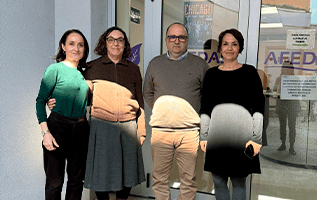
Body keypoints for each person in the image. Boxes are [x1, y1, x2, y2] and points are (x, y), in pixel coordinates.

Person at [48, 26, 146, 200]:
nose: (116, 43)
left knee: (127, 171)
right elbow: (75, 91)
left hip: (129, 126)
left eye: (120, 40)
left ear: (125, 44)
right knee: (101, 172)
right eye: (111, 39)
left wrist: (142, 130)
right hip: (100, 126)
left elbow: (140, 101)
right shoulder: (91, 67)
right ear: (104, 43)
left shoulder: (133, 69)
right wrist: (52, 100)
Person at [143, 22, 209, 200]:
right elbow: (147, 92)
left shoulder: (200, 65)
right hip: (161, 131)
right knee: (160, 179)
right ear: (166, 41)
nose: (176, 41)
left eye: (181, 37)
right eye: (172, 37)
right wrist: (164, 111)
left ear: (187, 41)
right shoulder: (155, 64)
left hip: (189, 133)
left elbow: (207, 97)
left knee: (188, 181)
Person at [199, 29, 264, 200]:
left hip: (242, 139)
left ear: (240, 48)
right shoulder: (211, 75)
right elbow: (205, 106)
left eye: (234, 44)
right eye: (225, 44)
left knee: (239, 182)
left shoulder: (250, 73)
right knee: (218, 182)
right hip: (216, 137)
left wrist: (256, 139)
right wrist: (203, 136)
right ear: (220, 48)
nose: (229, 48)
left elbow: (258, 106)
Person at [36, 29, 90, 200]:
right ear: (63, 46)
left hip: (81, 129)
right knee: (54, 182)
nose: (76, 48)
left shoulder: (84, 74)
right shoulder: (55, 69)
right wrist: (46, 133)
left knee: (76, 181)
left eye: (80, 45)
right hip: (58, 127)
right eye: (71, 44)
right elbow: (40, 101)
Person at [273, 61, 300, 155]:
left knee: (292, 126)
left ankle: (292, 146)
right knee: (282, 125)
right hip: (282, 104)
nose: (286, 69)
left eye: (288, 67)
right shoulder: (279, 78)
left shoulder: (296, 79)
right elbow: (274, 91)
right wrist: (280, 81)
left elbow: (299, 92)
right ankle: (283, 144)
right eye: (284, 67)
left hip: (292, 104)